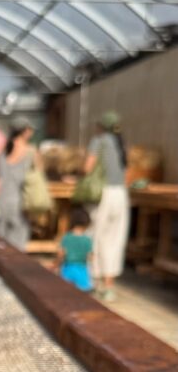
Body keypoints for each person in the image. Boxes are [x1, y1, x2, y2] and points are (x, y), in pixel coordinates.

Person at [85, 111, 129, 303]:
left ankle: (94, 281)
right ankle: (109, 285)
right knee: (115, 238)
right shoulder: (121, 144)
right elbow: (125, 174)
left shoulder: (98, 141)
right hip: (120, 195)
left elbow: (88, 167)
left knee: (95, 235)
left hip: (102, 193)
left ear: (102, 126)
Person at [0, 118, 39, 250]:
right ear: (25, 131)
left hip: (0, 200)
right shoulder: (31, 151)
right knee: (19, 241)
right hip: (21, 200)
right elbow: (39, 174)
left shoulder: (2, 152)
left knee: (0, 241)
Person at [56, 207, 93, 292]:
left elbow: (61, 254)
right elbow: (90, 257)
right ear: (87, 223)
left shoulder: (66, 238)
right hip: (82, 270)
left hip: (68, 269)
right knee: (83, 292)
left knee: (65, 291)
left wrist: (57, 264)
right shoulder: (87, 240)